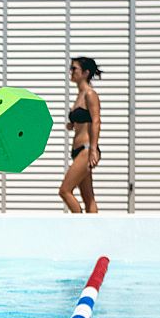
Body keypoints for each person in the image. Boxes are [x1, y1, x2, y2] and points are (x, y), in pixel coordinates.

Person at [59, 56, 103, 213]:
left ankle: (79, 225)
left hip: (86, 149)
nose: (71, 72)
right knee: (88, 196)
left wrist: (93, 149)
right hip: (78, 150)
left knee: (64, 190)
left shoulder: (90, 94)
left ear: (85, 73)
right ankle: (95, 232)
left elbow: (96, 121)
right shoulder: (80, 95)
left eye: (74, 69)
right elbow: (85, 120)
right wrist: (72, 124)